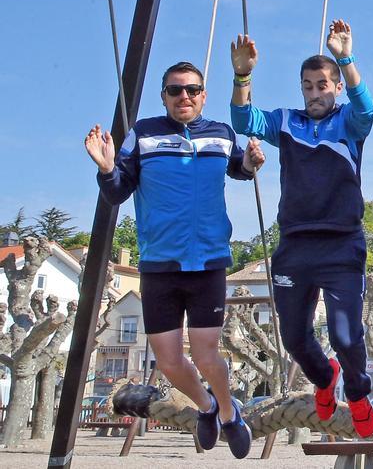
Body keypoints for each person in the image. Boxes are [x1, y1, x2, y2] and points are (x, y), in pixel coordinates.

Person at [86, 62, 265, 458]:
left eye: (192, 90)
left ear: (203, 94)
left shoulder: (221, 133)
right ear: (163, 95)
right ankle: (207, 406)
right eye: (175, 90)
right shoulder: (143, 134)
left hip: (208, 261)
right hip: (160, 264)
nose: (184, 96)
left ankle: (230, 415)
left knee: (206, 353)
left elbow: (241, 169)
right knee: (167, 359)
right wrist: (106, 168)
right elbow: (117, 192)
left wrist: (252, 162)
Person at [229, 19, 373, 437]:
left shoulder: (349, 123)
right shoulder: (286, 122)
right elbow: (243, 120)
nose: (315, 93)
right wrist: (243, 74)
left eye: (323, 85)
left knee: (346, 335)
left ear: (335, 88)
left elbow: (367, 107)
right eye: (308, 86)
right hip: (294, 246)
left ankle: (359, 392)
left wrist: (345, 58)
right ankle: (325, 377)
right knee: (295, 338)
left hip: (341, 245)